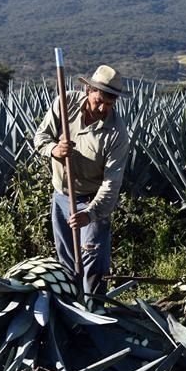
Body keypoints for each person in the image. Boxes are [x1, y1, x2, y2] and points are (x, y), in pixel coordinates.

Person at [33, 64, 130, 297]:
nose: (103, 108)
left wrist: (91, 214)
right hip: (62, 196)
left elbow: (111, 183)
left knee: (92, 257)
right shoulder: (64, 104)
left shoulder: (117, 133)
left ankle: (94, 308)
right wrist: (54, 149)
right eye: (100, 101)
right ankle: (70, 307)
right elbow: (40, 137)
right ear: (88, 91)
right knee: (66, 257)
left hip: (91, 200)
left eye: (110, 104)